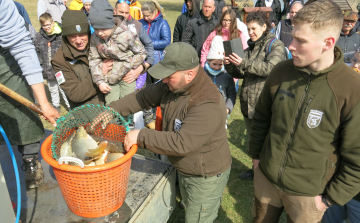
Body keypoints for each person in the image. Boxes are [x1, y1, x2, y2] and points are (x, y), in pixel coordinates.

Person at [248, 0, 360, 222]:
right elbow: (261, 118)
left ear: (327, 43)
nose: (291, 45)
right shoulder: (281, 71)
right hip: (267, 181)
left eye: (301, 40)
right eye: (293, 37)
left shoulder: (352, 89)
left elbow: (357, 157)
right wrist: (256, 159)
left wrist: (328, 200)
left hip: (309, 195)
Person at [106, 42, 232, 222]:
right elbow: (142, 97)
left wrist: (140, 135)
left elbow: (182, 143)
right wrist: (110, 111)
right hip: (184, 165)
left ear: (189, 74)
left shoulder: (207, 102)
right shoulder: (173, 83)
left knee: (197, 218)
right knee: (188, 202)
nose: (163, 80)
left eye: (168, 76)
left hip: (204, 174)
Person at [0, 0, 59, 189]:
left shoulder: (3, 6)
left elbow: (22, 47)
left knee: (22, 109)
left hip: (5, 61)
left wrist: (43, 102)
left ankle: (30, 159)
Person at [224, 10, 286, 180]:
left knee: (268, 142)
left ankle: (270, 174)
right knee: (254, 141)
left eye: (253, 28)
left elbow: (271, 68)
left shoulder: (275, 45)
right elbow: (242, 72)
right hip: (248, 103)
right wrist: (230, 64)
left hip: (265, 103)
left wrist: (244, 62)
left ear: (264, 27)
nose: (250, 32)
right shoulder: (250, 47)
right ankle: (256, 170)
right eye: (248, 29)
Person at [88, 0, 147, 105]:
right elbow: (94, 59)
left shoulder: (127, 35)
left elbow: (142, 53)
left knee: (127, 107)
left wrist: (128, 65)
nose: (100, 33)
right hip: (110, 80)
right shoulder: (95, 38)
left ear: (110, 23)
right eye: (96, 29)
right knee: (112, 109)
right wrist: (99, 81)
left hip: (127, 78)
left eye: (103, 28)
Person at [114, 0, 156, 129]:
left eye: (127, 12)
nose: (124, 15)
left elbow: (149, 46)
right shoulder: (107, 26)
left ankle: (140, 128)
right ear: (114, 11)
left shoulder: (137, 25)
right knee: (117, 107)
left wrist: (142, 67)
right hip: (114, 77)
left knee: (138, 101)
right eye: (121, 12)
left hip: (136, 73)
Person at [51, 9, 105, 109]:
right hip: (89, 114)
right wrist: (101, 72)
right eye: (73, 36)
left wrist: (141, 66)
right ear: (66, 36)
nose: (79, 41)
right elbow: (74, 94)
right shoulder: (59, 60)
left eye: (82, 35)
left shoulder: (101, 43)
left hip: (115, 106)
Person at [34, 13, 71, 112]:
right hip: (47, 69)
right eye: (43, 25)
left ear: (53, 23)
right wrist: (41, 65)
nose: (46, 27)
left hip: (60, 69)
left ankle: (71, 107)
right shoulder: (38, 37)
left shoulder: (61, 36)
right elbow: (37, 52)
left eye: (48, 25)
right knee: (53, 89)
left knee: (64, 89)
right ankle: (56, 106)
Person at [204, 36, 236, 127]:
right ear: (208, 61)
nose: (217, 67)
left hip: (221, 113)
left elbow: (231, 94)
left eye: (220, 65)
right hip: (204, 113)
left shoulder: (227, 75)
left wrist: (227, 108)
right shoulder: (202, 75)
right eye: (214, 64)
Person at [139, 0, 171, 83]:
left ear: (154, 12)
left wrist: (148, 44)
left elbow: (166, 41)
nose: (145, 18)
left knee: (158, 86)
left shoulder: (162, 23)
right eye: (144, 15)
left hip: (157, 60)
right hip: (142, 59)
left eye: (147, 15)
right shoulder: (140, 22)